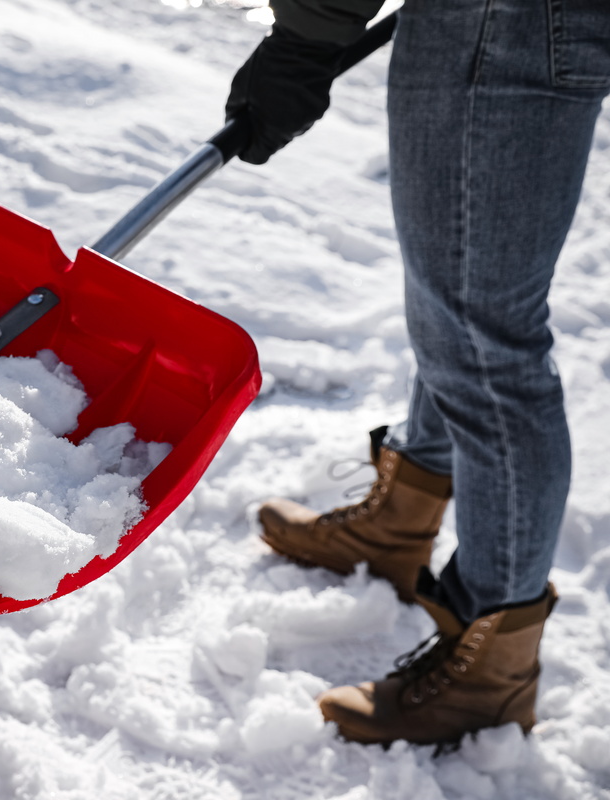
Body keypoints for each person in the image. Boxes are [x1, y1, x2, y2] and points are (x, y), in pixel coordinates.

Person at [226, 0, 610, 747]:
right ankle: (399, 525)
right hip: (519, 22)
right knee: (455, 303)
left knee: (483, 333)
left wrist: (306, 34)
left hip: (503, 23)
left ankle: (491, 671)